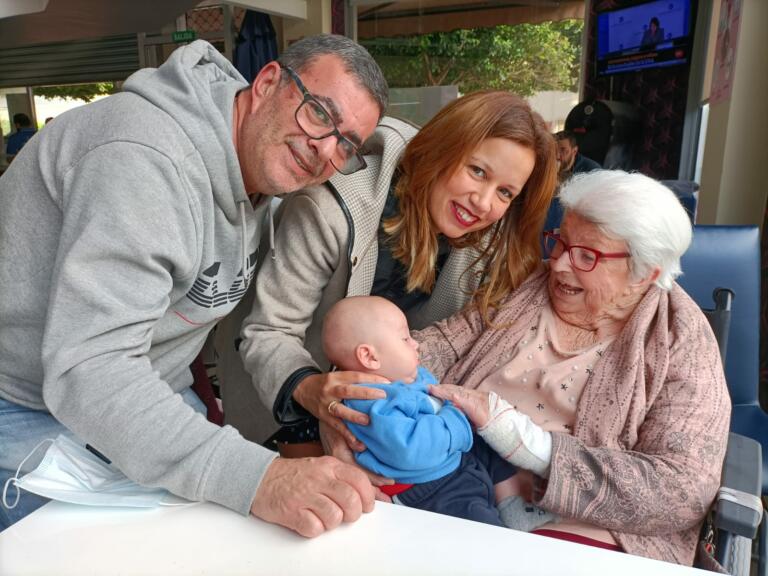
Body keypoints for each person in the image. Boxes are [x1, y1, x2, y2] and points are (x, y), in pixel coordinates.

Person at [0, 34, 389, 536]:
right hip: (22, 395)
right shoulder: (142, 156)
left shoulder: (259, 170)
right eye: (318, 113)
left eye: (346, 145)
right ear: (268, 82)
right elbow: (91, 369)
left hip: (143, 389)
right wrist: (260, 477)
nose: (324, 150)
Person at [389, 170, 728, 566]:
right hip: (455, 477)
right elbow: (441, 345)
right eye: (560, 242)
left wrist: (531, 448)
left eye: (587, 256)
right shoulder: (526, 288)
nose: (558, 265)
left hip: (579, 525)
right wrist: (372, 377)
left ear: (646, 272)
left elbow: (682, 490)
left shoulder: (680, 338)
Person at [240, 90, 558, 460]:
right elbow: (267, 333)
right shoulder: (326, 208)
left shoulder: (487, 242)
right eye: (477, 171)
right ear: (442, 148)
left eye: (505, 192)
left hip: (391, 418)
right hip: (285, 404)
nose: (484, 203)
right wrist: (315, 393)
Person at [322, 295, 517, 526]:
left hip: (451, 459)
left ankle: (514, 505)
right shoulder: (373, 402)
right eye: (405, 338)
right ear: (370, 357)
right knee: (481, 527)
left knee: (493, 443)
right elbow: (411, 449)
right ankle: (505, 536)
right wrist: (455, 416)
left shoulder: (404, 377)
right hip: (432, 490)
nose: (416, 343)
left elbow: (435, 396)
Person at [543, 130, 601, 233]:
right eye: (555, 150)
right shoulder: (549, 164)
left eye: (563, 150)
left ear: (574, 151)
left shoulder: (592, 170)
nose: (557, 155)